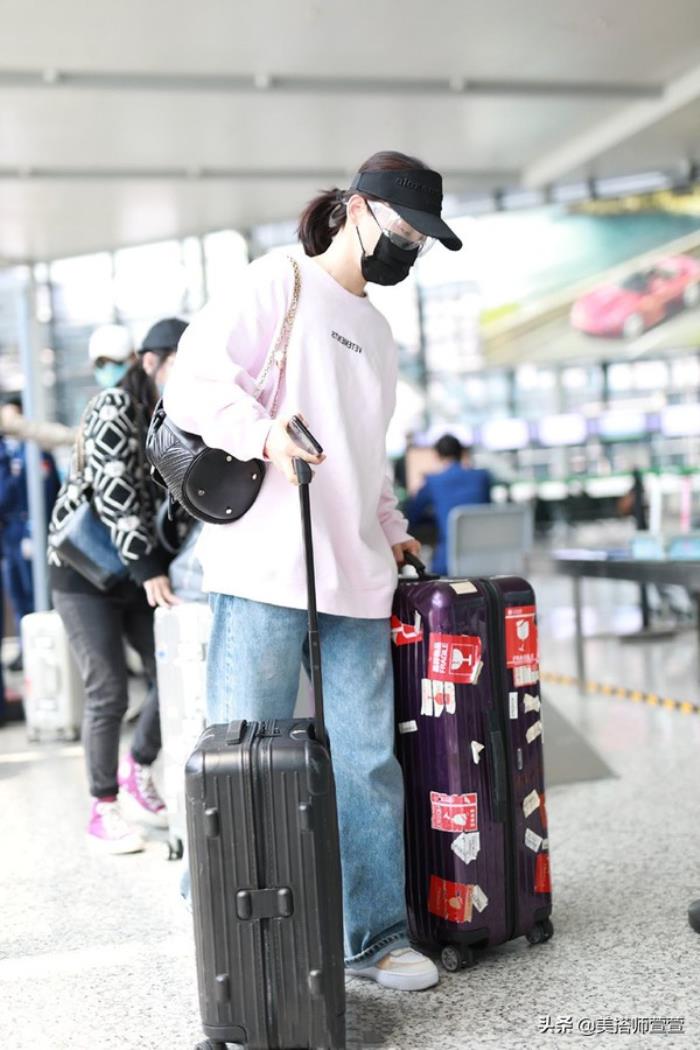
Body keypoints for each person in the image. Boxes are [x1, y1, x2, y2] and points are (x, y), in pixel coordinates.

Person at [165, 150, 462, 992]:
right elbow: (192, 384)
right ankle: (219, 926)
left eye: (422, 240)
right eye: (403, 230)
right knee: (243, 755)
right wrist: (262, 433)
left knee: (366, 763)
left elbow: (369, 457)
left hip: (357, 576)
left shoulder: (380, 333)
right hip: (265, 566)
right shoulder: (279, 281)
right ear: (358, 210)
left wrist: (391, 530)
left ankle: (374, 938)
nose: (409, 248)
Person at [48, 319, 187, 854]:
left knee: (166, 674)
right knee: (107, 690)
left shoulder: (161, 411)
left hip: (130, 570)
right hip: (84, 573)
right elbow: (114, 492)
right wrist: (149, 566)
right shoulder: (114, 405)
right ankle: (102, 808)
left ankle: (138, 767)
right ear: (150, 361)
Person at [0, 397, 61, 670]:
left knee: (39, 593)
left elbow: (51, 492)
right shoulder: (5, 453)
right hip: (11, 535)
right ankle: (26, 647)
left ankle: (43, 650)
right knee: (18, 595)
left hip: (34, 530)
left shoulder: (36, 452)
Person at [407, 434, 491, 575]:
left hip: (448, 562)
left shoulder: (434, 481)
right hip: (484, 558)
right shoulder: (482, 477)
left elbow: (412, 514)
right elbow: (486, 509)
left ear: (437, 455)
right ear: (462, 453)